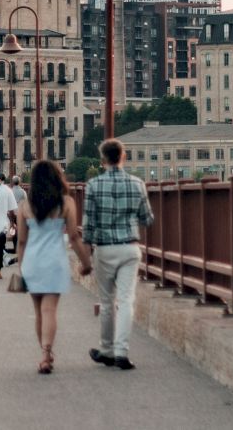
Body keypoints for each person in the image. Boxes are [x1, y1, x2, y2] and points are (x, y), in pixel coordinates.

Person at [83, 139, 155, 371]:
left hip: (104, 248)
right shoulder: (137, 184)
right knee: (126, 300)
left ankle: (107, 350)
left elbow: (89, 224)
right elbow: (147, 219)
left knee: (106, 302)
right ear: (123, 157)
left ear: (103, 160)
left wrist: (86, 255)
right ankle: (122, 352)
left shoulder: (93, 185)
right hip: (129, 247)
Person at [17, 160, 93, 374]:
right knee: (49, 309)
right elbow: (75, 236)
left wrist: (21, 268)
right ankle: (46, 354)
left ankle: (44, 353)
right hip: (54, 262)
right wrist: (86, 263)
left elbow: (21, 241)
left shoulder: (25, 206)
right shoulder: (66, 203)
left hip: (32, 261)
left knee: (38, 311)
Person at [6, 175, 27, 261]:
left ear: (12, 182)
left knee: (13, 229)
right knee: (20, 229)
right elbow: (26, 201)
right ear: (19, 182)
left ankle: (15, 246)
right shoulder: (23, 192)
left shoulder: (10, 191)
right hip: (20, 213)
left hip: (12, 213)